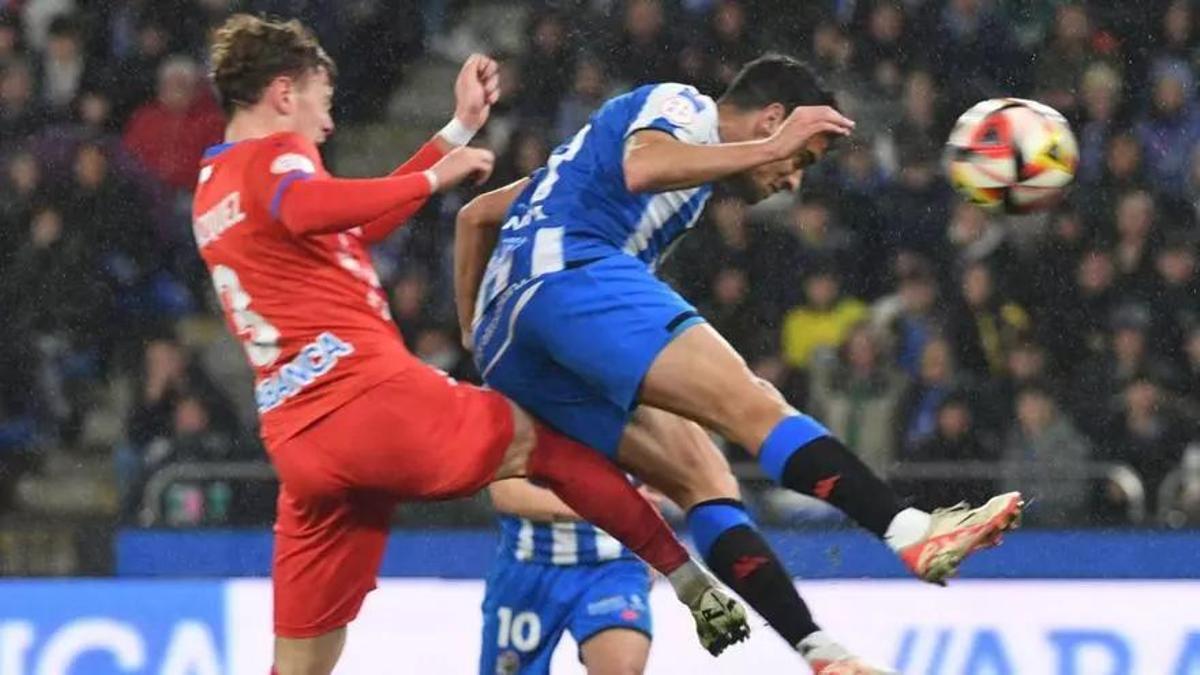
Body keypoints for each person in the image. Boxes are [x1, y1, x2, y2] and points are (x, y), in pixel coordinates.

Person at [193, 15, 746, 675]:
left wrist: (453, 132)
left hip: (298, 437)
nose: (328, 123)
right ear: (285, 93)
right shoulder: (278, 158)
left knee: (301, 662)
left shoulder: (215, 184)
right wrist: (436, 178)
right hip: (369, 404)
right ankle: (688, 580)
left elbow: (351, 221)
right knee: (551, 444)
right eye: (322, 102)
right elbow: (313, 207)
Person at [456, 54, 1024, 675]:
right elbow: (642, 166)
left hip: (516, 345)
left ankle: (820, 652)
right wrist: (771, 149)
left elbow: (476, 215)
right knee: (753, 405)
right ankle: (910, 529)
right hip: (568, 275)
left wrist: (477, 339)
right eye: (799, 160)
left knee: (706, 478)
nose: (792, 180)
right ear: (770, 119)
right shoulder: (684, 107)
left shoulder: (599, 166)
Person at [480, 479, 656, 675]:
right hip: (529, 568)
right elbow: (509, 495)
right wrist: (611, 504)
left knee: (621, 669)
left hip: (612, 566)